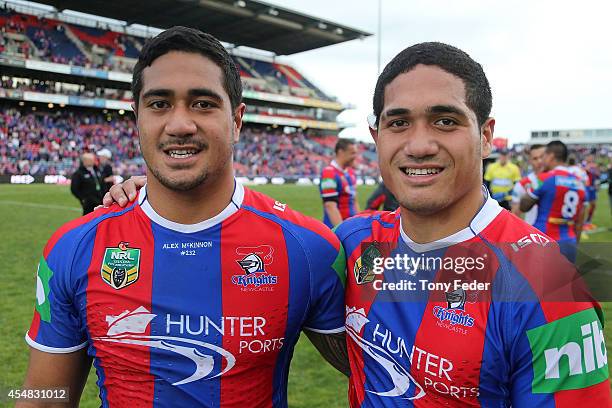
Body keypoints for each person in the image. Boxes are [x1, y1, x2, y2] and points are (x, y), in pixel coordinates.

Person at [19, 26, 349, 408]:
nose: (179, 125)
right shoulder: (73, 248)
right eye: (159, 104)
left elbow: (386, 372)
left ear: (237, 120)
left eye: (203, 103)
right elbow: (43, 398)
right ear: (136, 118)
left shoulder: (308, 248)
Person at [337, 42, 610, 406]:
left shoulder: (553, 289)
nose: (418, 145)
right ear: (377, 138)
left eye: (445, 121)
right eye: (398, 123)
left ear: (485, 136)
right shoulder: (355, 242)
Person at [520, 141, 586, 263]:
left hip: (544, 240)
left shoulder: (545, 178)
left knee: (538, 281)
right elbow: (580, 220)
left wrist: (529, 190)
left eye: (544, 156)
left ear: (550, 156)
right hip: (569, 241)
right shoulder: (579, 182)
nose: (542, 160)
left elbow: (523, 206)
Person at [319, 138, 360, 228]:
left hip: (351, 228)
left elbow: (354, 200)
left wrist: (358, 225)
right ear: (341, 152)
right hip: (336, 230)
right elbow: (330, 206)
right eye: (352, 153)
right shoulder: (329, 173)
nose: (355, 156)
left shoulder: (351, 172)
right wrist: (342, 232)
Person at [510, 144, 545, 224]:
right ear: (530, 161)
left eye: (542, 157)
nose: (539, 161)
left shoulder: (558, 179)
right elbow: (515, 215)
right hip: (534, 232)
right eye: (535, 158)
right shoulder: (522, 184)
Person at [583, 152, 600, 230]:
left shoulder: (594, 166)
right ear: (587, 158)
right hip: (586, 187)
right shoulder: (583, 165)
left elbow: (597, 174)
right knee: (585, 206)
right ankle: (583, 223)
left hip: (593, 187)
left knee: (593, 205)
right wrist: (588, 168)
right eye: (589, 157)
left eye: (592, 157)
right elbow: (584, 171)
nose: (591, 158)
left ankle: (588, 221)